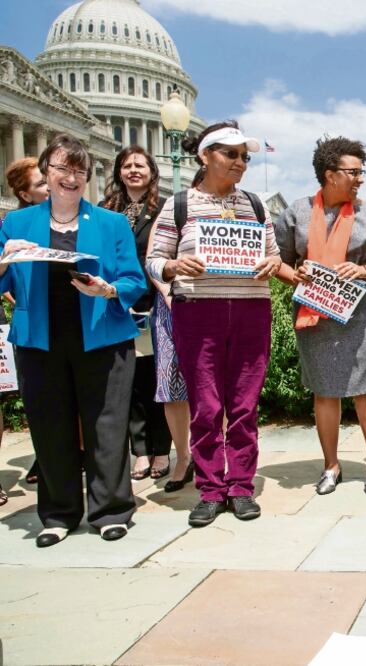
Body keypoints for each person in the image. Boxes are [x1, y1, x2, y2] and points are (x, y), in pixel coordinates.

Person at [0, 133, 146, 546]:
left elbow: (133, 280)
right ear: (46, 171)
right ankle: (58, 514)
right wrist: (5, 260)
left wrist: (108, 289)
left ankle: (111, 510)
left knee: (107, 425)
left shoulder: (111, 223)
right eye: (62, 168)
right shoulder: (16, 224)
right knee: (50, 426)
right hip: (39, 341)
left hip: (103, 337)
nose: (71, 177)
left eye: (79, 170)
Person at [147, 121, 283, 527]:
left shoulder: (256, 205)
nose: (240, 162)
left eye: (245, 156)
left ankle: (240, 486)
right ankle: (210, 489)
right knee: (206, 406)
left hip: (250, 310)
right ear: (205, 156)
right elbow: (153, 259)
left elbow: (274, 255)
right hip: (197, 312)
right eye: (231, 153)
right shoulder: (179, 205)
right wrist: (173, 266)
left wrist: (272, 263)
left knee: (244, 404)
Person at [274, 135, 366, 496]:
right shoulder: (296, 212)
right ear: (330, 174)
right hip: (316, 315)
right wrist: (294, 276)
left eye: (362, 172)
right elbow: (278, 260)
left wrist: (364, 270)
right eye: (354, 172)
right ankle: (331, 466)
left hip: (363, 316)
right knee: (324, 391)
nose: (360, 179)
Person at [99, 146, 184, 485]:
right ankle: (140, 450)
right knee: (127, 381)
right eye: (127, 165)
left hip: (153, 302)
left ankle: (161, 449)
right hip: (115, 303)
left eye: (140, 165)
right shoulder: (105, 210)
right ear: (119, 172)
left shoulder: (165, 208)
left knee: (154, 379)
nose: (133, 170)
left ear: (152, 172)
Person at [2, 157, 50, 499]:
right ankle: (46, 460)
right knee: (40, 401)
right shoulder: (13, 226)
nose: (51, 186)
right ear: (24, 194)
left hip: (69, 323)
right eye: (41, 183)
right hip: (32, 327)